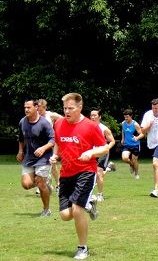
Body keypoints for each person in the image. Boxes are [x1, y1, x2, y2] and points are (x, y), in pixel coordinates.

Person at [50, 93, 109, 259]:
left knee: (76, 210)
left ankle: (83, 248)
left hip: (85, 171)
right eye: (65, 108)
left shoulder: (90, 126)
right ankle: (89, 204)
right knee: (64, 215)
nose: (67, 111)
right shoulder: (59, 123)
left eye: (71, 108)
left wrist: (90, 152)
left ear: (80, 107)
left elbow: (104, 148)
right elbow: (58, 143)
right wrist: (55, 156)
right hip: (66, 174)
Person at [18, 99, 55, 217]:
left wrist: (43, 148)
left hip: (43, 157)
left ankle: (46, 210)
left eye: (29, 107)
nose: (26, 110)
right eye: (25, 107)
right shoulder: (22, 122)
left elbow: (53, 140)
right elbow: (21, 138)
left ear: (36, 107)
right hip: (29, 157)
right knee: (26, 185)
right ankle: (45, 181)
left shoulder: (44, 123)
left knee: (40, 182)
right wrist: (20, 151)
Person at [89, 109, 116, 202]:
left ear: (99, 117)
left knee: (99, 173)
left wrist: (106, 149)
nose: (92, 117)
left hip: (102, 153)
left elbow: (112, 141)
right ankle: (108, 168)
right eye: (91, 115)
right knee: (92, 174)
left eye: (95, 115)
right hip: (91, 153)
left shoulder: (104, 128)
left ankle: (100, 195)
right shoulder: (86, 127)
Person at [38, 99, 62, 193]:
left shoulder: (51, 115)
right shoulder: (35, 115)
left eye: (40, 108)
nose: (38, 110)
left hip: (50, 143)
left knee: (52, 165)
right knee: (39, 164)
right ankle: (43, 185)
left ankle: (58, 184)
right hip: (39, 143)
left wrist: (58, 131)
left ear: (45, 107)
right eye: (37, 108)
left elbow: (64, 120)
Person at [120, 109, 142, 179]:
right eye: (125, 117)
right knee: (125, 158)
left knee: (134, 160)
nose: (126, 118)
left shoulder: (135, 124)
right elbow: (123, 131)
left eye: (127, 117)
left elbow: (142, 134)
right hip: (127, 144)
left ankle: (136, 174)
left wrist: (137, 138)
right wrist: (123, 139)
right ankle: (131, 165)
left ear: (131, 116)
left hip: (135, 145)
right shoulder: (123, 123)